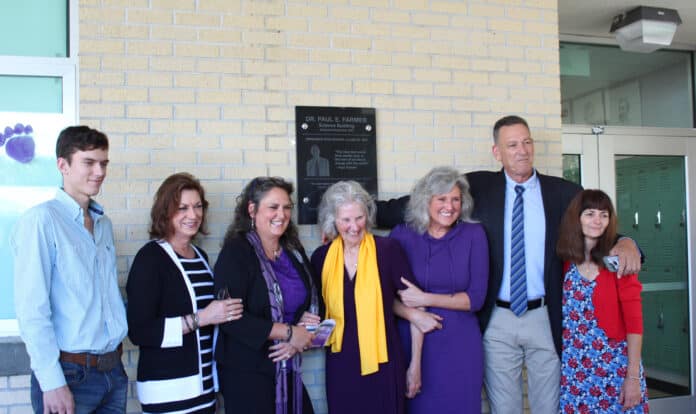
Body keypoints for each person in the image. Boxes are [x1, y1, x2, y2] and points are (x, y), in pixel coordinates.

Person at [375, 115, 642, 413]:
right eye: (512, 144)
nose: (522, 150)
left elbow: (598, 225)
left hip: (545, 315)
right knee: (505, 408)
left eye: (527, 142)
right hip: (497, 319)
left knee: (547, 406)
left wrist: (628, 241)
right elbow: (416, 204)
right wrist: (355, 217)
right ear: (497, 152)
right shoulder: (477, 186)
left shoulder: (563, 192)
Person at [11, 126, 128, 414]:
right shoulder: (41, 221)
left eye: (103, 163)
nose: (99, 171)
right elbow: (32, 310)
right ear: (62, 165)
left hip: (113, 372)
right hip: (69, 375)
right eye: (89, 162)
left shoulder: (103, 224)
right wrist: (51, 382)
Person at [126, 173, 243, 413]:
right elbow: (140, 331)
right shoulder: (150, 259)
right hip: (167, 388)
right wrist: (202, 318)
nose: (193, 215)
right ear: (165, 212)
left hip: (203, 387)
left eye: (198, 206)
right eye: (183, 208)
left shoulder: (200, 257)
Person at [311, 180, 430, 414]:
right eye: (345, 220)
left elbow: (417, 304)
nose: (354, 227)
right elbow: (320, 313)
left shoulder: (388, 250)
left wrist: (415, 366)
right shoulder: (321, 258)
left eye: (359, 218)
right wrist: (314, 339)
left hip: (383, 360)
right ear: (332, 220)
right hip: (340, 363)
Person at [213, 177, 320, 414]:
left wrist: (299, 337)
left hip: (288, 366)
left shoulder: (293, 250)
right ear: (252, 209)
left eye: (286, 207)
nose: (281, 214)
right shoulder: (236, 252)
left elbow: (314, 300)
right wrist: (290, 333)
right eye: (273, 207)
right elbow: (230, 319)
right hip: (246, 371)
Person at [389, 166, 489, 413]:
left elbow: (475, 299)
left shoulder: (474, 234)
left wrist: (425, 298)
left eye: (456, 199)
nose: (450, 206)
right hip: (412, 342)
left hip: (460, 343)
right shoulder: (402, 236)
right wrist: (413, 313)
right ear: (426, 201)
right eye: (442, 199)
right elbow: (385, 296)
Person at [556, 189, 648, 413]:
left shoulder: (618, 262)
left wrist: (633, 377)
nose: (597, 220)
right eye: (590, 213)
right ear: (577, 217)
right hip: (575, 370)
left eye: (604, 214)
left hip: (614, 367)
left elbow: (634, 323)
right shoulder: (563, 262)